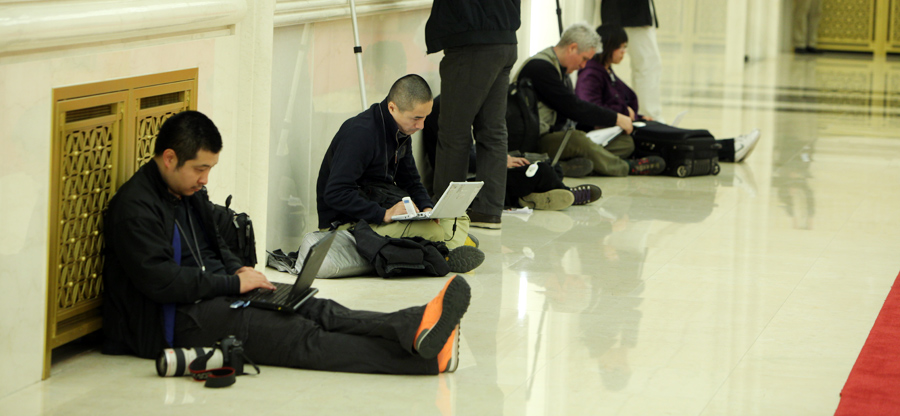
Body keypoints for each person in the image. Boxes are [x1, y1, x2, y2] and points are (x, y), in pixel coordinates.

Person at [103, 111, 470, 374]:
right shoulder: (135, 209)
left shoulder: (186, 190)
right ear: (169, 159)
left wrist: (239, 269)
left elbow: (216, 243)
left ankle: (416, 325)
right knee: (301, 336)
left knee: (316, 307)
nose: (205, 178)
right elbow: (162, 283)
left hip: (216, 292)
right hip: (175, 321)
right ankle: (426, 360)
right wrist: (233, 283)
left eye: (210, 169)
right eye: (200, 169)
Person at [351, 0, 519, 230]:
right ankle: (488, 212)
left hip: (474, 49)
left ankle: (444, 217)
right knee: (492, 132)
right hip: (503, 44)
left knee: (454, 130)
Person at [317, 74, 484, 271]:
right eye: (416, 118)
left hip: (379, 206)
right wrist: (384, 214)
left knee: (458, 216)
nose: (421, 126)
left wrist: (427, 208)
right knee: (434, 231)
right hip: (348, 222)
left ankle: (442, 248)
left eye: (425, 118)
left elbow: (411, 181)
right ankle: (446, 252)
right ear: (392, 107)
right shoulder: (359, 133)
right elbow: (335, 193)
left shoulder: (401, 132)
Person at [576, 25, 761, 162]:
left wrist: (637, 116)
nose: (624, 52)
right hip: (611, 132)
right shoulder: (592, 72)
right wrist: (623, 113)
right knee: (674, 139)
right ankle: (728, 148)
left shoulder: (605, 70)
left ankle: (728, 144)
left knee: (671, 132)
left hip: (623, 125)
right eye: (621, 47)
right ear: (609, 46)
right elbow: (590, 109)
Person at [515, 23, 665, 178]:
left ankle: (566, 166)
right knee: (577, 139)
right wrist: (616, 118)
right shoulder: (540, 68)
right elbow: (573, 107)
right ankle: (625, 167)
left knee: (624, 144)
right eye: (584, 58)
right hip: (535, 141)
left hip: (557, 135)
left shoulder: (561, 70)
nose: (583, 65)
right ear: (572, 48)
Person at [421, 95, 603, 216]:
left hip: (480, 170)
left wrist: (503, 159)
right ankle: (565, 192)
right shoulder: (446, 109)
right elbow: (457, 161)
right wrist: (500, 162)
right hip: (468, 183)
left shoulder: (460, 104)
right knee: (542, 171)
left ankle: (527, 198)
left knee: (544, 165)